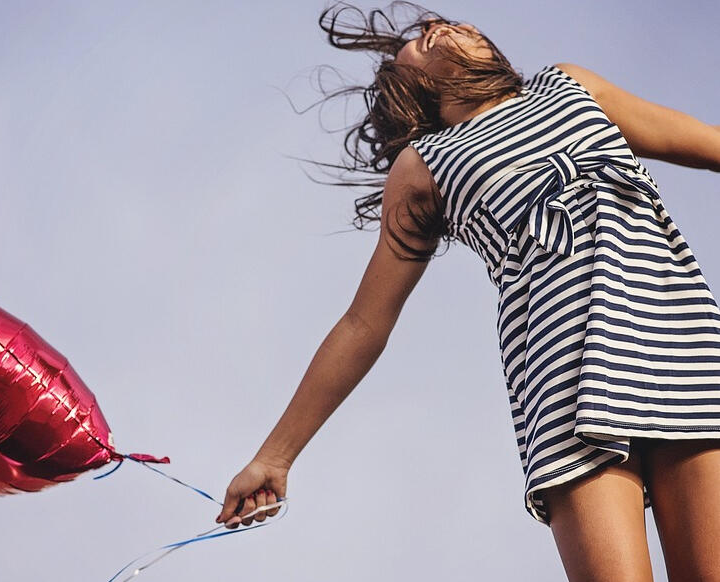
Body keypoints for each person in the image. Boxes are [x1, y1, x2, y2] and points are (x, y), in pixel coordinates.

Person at [216, 2, 720, 580]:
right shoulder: (424, 165)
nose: (436, 28)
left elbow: (711, 143)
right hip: (565, 381)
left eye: (443, 23)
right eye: (419, 39)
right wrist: (275, 456)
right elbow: (364, 324)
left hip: (681, 342)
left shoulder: (570, 87)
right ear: (409, 88)